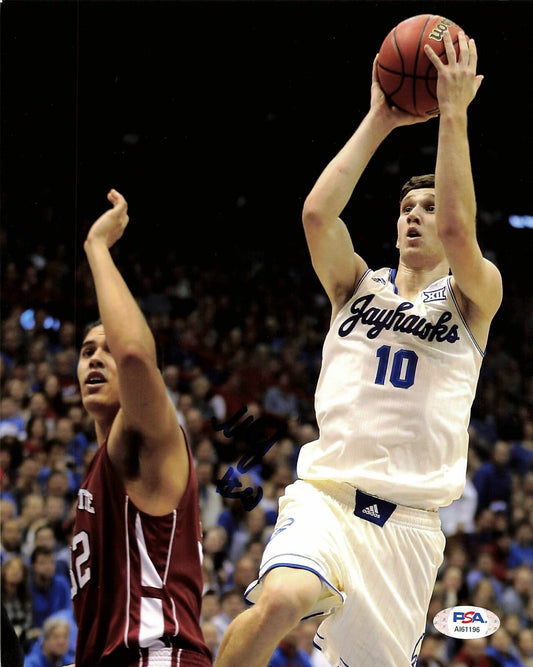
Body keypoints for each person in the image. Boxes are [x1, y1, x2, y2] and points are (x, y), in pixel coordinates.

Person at [215, 29, 503, 667]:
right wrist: (379, 119)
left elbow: (461, 229)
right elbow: (317, 216)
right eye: (407, 207)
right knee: (281, 600)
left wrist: (453, 114)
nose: (416, 216)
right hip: (327, 496)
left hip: (408, 530)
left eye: (429, 206)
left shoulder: (473, 297)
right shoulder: (353, 285)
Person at [69, 190, 211, 666]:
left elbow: (134, 354)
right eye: (87, 350)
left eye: (104, 348)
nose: (96, 358)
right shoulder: (100, 465)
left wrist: (97, 248)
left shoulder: (147, 439)